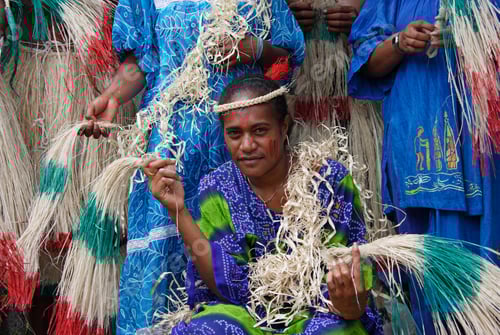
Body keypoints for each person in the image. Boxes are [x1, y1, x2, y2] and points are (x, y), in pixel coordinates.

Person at [79, 1, 305, 333]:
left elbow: (288, 59)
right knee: (165, 251)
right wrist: (113, 96)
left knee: (244, 254)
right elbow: (141, 61)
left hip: (243, 145)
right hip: (173, 147)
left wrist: (254, 48)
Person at [145, 74, 383, 334]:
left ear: (284, 128)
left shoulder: (327, 180)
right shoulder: (217, 187)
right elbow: (227, 285)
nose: (246, 146)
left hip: (320, 309)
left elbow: (351, 273)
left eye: (260, 131)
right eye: (234, 134)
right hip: (246, 313)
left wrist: (347, 304)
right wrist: (178, 210)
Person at [348, 0, 500, 333]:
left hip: (482, 150)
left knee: (487, 246)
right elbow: (367, 60)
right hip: (417, 140)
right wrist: (401, 43)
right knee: (426, 264)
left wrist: (476, 34)